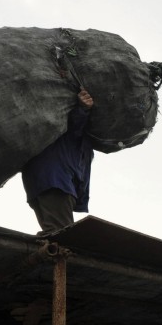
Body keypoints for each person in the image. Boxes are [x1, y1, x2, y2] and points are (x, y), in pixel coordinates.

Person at [22, 88, 95, 234]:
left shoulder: (40, 134)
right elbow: (74, 125)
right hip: (56, 183)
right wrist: (83, 109)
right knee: (62, 235)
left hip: (39, 184)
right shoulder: (66, 134)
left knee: (52, 233)